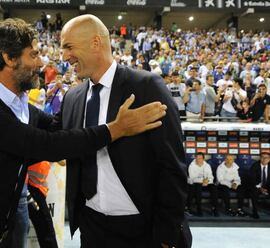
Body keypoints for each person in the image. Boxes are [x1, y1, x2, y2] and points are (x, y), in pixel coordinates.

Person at [0, 18, 167, 248]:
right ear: (9, 58)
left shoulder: (19, 107)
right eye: (33, 55)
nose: (41, 62)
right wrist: (116, 129)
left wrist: (86, 100)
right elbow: (46, 145)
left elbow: (60, 127)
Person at [60, 15, 191, 248]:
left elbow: (172, 165)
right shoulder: (72, 97)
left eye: (69, 47)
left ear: (96, 43)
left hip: (144, 231)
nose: (64, 56)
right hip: (92, 228)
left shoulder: (146, 86)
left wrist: (166, 233)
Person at [249, 152, 270, 219]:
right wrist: (260, 188)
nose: (264, 159)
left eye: (266, 158)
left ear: (269, 159)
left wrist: (267, 189)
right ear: (260, 158)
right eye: (262, 157)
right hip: (257, 185)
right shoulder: (255, 165)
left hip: (268, 185)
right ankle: (255, 212)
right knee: (254, 192)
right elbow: (252, 179)